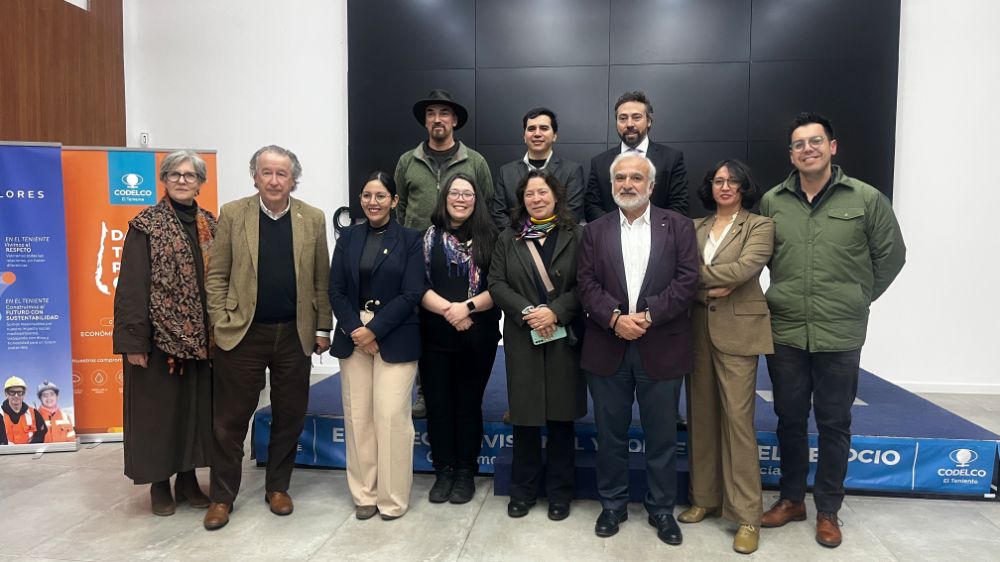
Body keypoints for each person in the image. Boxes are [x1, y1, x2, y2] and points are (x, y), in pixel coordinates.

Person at [759, 113, 906, 548]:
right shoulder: (772, 201)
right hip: (785, 330)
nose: (808, 149)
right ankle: (790, 499)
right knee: (788, 419)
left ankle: (827, 509)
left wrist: (859, 298)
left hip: (840, 333)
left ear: (832, 147)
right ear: (790, 154)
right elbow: (762, 258)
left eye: (815, 141)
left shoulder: (865, 199)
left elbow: (892, 257)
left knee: (834, 422)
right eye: (799, 144)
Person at [203, 145, 332, 530]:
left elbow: (320, 280)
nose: (274, 180)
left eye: (282, 174)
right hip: (243, 333)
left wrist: (322, 326)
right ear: (255, 177)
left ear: (293, 179)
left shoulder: (313, 218)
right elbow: (217, 275)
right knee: (229, 420)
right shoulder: (233, 214)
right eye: (267, 173)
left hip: (295, 333)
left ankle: (278, 487)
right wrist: (219, 320)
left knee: (289, 415)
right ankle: (222, 497)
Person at [577, 153, 699, 545]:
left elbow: (687, 281)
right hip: (607, 344)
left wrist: (645, 317)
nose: (627, 184)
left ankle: (662, 509)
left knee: (661, 435)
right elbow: (586, 284)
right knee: (609, 434)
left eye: (636, 178)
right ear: (611, 185)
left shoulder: (678, 226)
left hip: (661, 345)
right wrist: (615, 319)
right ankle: (612, 505)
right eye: (620, 178)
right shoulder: (594, 230)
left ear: (651, 185)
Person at [113, 149, 215, 516]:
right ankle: (159, 484)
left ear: (201, 183)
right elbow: (131, 287)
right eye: (175, 174)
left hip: (202, 343)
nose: (183, 181)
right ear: (164, 180)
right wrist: (133, 342)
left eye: (190, 175)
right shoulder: (146, 225)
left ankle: (187, 479)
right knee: (159, 414)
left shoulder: (211, 225)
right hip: (158, 343)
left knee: (193, 413)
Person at [680, 160, 773, 555]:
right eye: (718, 180)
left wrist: (698, 279)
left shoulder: (759, 225)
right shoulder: (694, 227)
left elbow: (748, 266)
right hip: (696, 329)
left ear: (744, 187)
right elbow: (679, 272)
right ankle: (705, 498)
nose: (725, 186)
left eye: (733, 181)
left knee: (738, 422)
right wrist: (710, 287)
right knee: (701, 417)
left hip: (739, 332)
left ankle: (748, 515)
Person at [489, 169, 586, 521]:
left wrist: (556, 312)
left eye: (542, 192)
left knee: (561, 420)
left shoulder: (576, 235)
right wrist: (528, 311)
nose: (537, 199)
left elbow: (586, 284)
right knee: (525, 419)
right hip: (523, 335)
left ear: (556, 195)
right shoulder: (508, 238)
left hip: (564, 336)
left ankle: (561, 493)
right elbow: (496, 283)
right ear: (522, 200)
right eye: (529, 194)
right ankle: (523, 491)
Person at [329, 171, 424, 521]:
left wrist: (376, 331)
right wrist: (357, 329)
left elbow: (412, 292)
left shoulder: (411, 239)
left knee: (390, 417)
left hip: (395, 335)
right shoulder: (348, 237)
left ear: (394, 201)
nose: (373, 201)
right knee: (358, 417)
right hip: (353, 334)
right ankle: (364, 494)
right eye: (367, 195)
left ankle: (393, 498)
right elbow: (335, 289)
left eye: (381, 196)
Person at [395, 88, 494, 419]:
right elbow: (402, 207)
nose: (437, 119)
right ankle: (425, 391)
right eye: (431, 113)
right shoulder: (407, 161)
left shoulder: (475, 162)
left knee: (464, 323)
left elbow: (488, 205)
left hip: (465, 257)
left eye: (444, 113)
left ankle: (468, 390)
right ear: (425, 121)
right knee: (424, 324)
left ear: (454, 121)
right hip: (419, 256)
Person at [419, 173, 500, 505]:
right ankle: (444, 472)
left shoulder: (492, 237)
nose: (461, 199)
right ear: (445, 197)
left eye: (468, 194)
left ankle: (465, 472)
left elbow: (500, 285)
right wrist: (449, 312)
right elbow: (417, 284)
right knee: (438, 407)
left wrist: (465, 308)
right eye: (455, 193)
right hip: (433, 336)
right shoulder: (428, 237)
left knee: (468, 406)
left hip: (478, 337)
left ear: (477, 199)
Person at [584, 90, 688, 222]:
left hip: (659, 237)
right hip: (611, 239)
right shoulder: (599, 162)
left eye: (636, 117)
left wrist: (649, 231)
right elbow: (591, 207)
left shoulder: (671, 158)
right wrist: (617, 230)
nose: (629, 124)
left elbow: (679, 205)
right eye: (622, 118)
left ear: (649, 121)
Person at [491, 107, 585, 228]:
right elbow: (498, 214)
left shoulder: (572, 171)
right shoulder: (506, 172)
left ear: (555, 135)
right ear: (524, 136)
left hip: (558, 244)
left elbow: (573, 215)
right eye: (531, 129)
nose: (537, 134)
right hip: (516, 243)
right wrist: (523, 236)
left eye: (544, 128)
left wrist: (542, 237)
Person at [1, 376, 47, 445]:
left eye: (19, 392)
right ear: (6, 394)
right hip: (5, 454)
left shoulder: (34, 414)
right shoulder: (0, 414)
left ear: (24, 394)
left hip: (30, 454)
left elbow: (42, 433)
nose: (16, 396)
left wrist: (29, 450)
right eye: (12, 392)